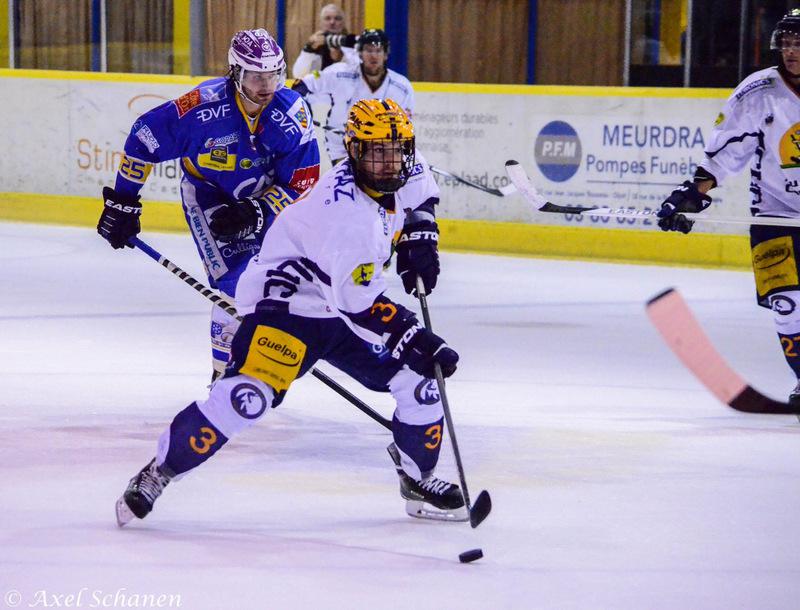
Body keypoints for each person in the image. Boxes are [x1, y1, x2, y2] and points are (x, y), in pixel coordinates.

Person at [115, 99, 461, 527]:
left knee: (421, 381)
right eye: (376, 152)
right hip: (288, 308)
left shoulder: (397, 164)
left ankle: (418, 479)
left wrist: (422, 229)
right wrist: (416, 337)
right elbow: (361, 306)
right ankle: (158, 472)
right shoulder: (346, 218)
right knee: (246, 399)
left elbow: (419, 186)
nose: (390, 162)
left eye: (396, 150)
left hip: (339, 305)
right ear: (354, 151)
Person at [97, 29, 320, 379]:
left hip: (268, 199)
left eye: (273, 75)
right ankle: (224, 376)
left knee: (286, 283)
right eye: (256, 76)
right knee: (237, 285)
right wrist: (123, 202)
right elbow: (144, 138)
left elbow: (302, 183)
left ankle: (265, 360)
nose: (266, 86)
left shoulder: (292, 114)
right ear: (235, 73)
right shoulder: (202, 108)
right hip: (208, 195)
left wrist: (258, 210)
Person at [657, 9, 800, 405]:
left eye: (799, 44)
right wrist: (693, 194)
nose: (791, 51)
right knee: (787, 303)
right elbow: (725, 154)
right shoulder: (758, 92)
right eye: (787, 43)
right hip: (775, 214)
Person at [292, 28, 414, 164]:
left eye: (378, 50)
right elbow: (303, 83)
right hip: (341, 146)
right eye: (368, 50)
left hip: (380, 149)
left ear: (385, 54)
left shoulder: (402, 87)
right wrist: (301, 105)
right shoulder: (340, 73)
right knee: (349, 176)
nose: (373, 55)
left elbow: (404, 127)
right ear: (360, 53)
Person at [291, 4, 356, 79]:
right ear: (321, 23)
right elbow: (299, 75)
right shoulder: (315, 44)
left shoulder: (351, 42)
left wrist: (340, 59)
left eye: (337, 18)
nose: (332, 22)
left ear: (343, 23)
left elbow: (357, 74)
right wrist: (309, 50)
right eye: (327, 18)